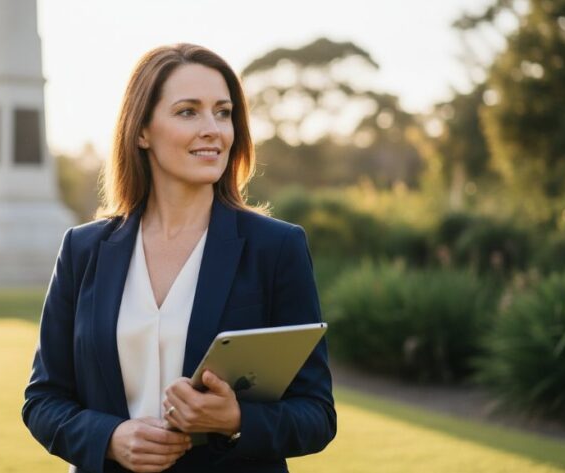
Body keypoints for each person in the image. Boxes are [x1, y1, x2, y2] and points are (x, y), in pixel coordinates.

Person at [22, 43, 336, 473]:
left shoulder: (277, 248)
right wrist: (110, 438)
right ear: (142, 131)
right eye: (188, 112)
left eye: (223, 113)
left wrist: (235, 420)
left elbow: (317, 414)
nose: (213, 129)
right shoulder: (83, 249)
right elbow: (43, 400)